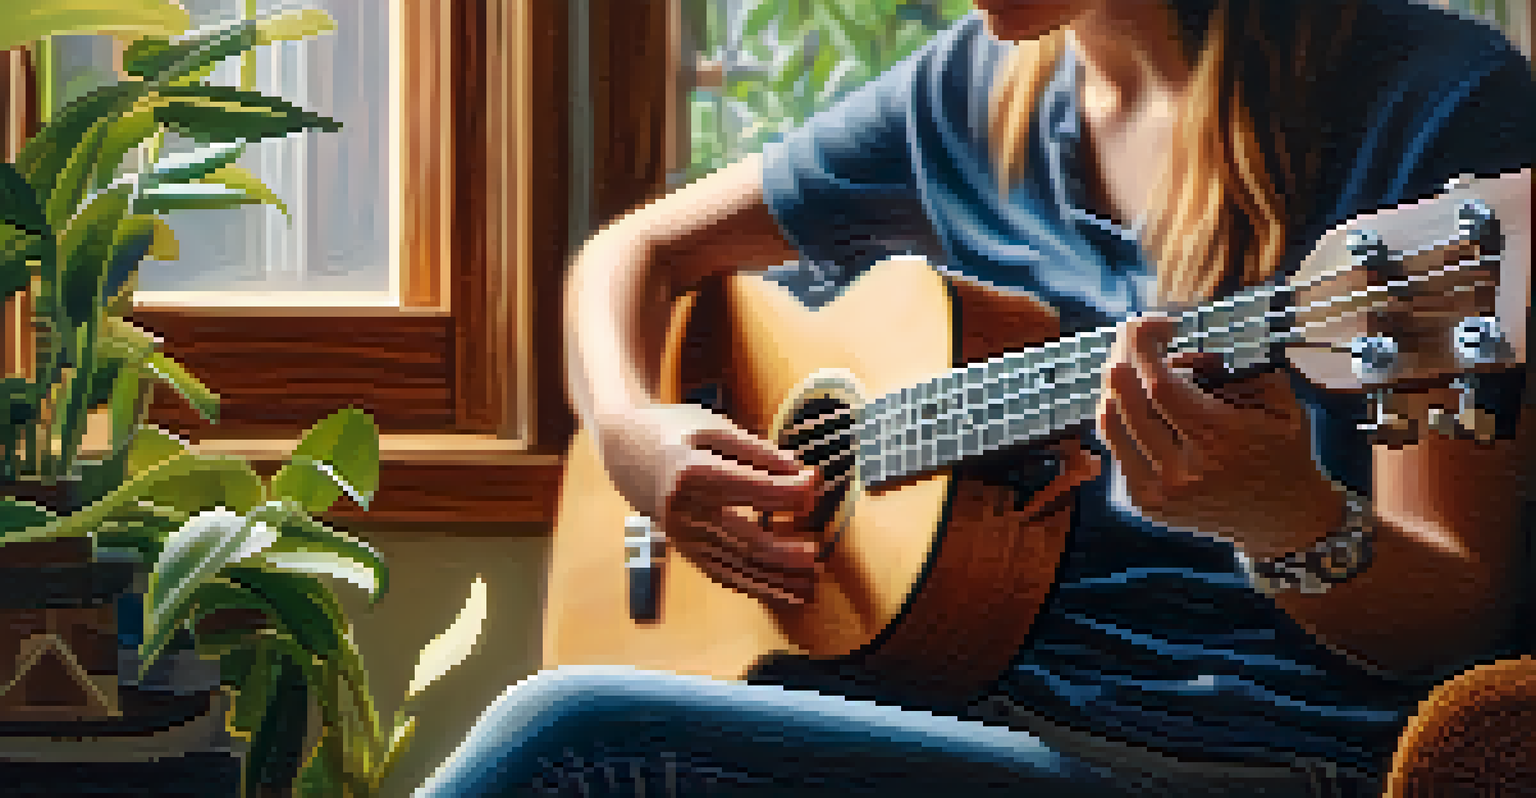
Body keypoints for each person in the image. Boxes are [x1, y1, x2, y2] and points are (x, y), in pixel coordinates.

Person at [416, 0, 1534, 795]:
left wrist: (1284, 517)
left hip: (1249, 745)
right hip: (957, 696)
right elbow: (638, 251)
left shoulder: (1433, 105)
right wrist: (632, 432)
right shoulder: (968, 95)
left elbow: (1459, 618)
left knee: (572, 735)